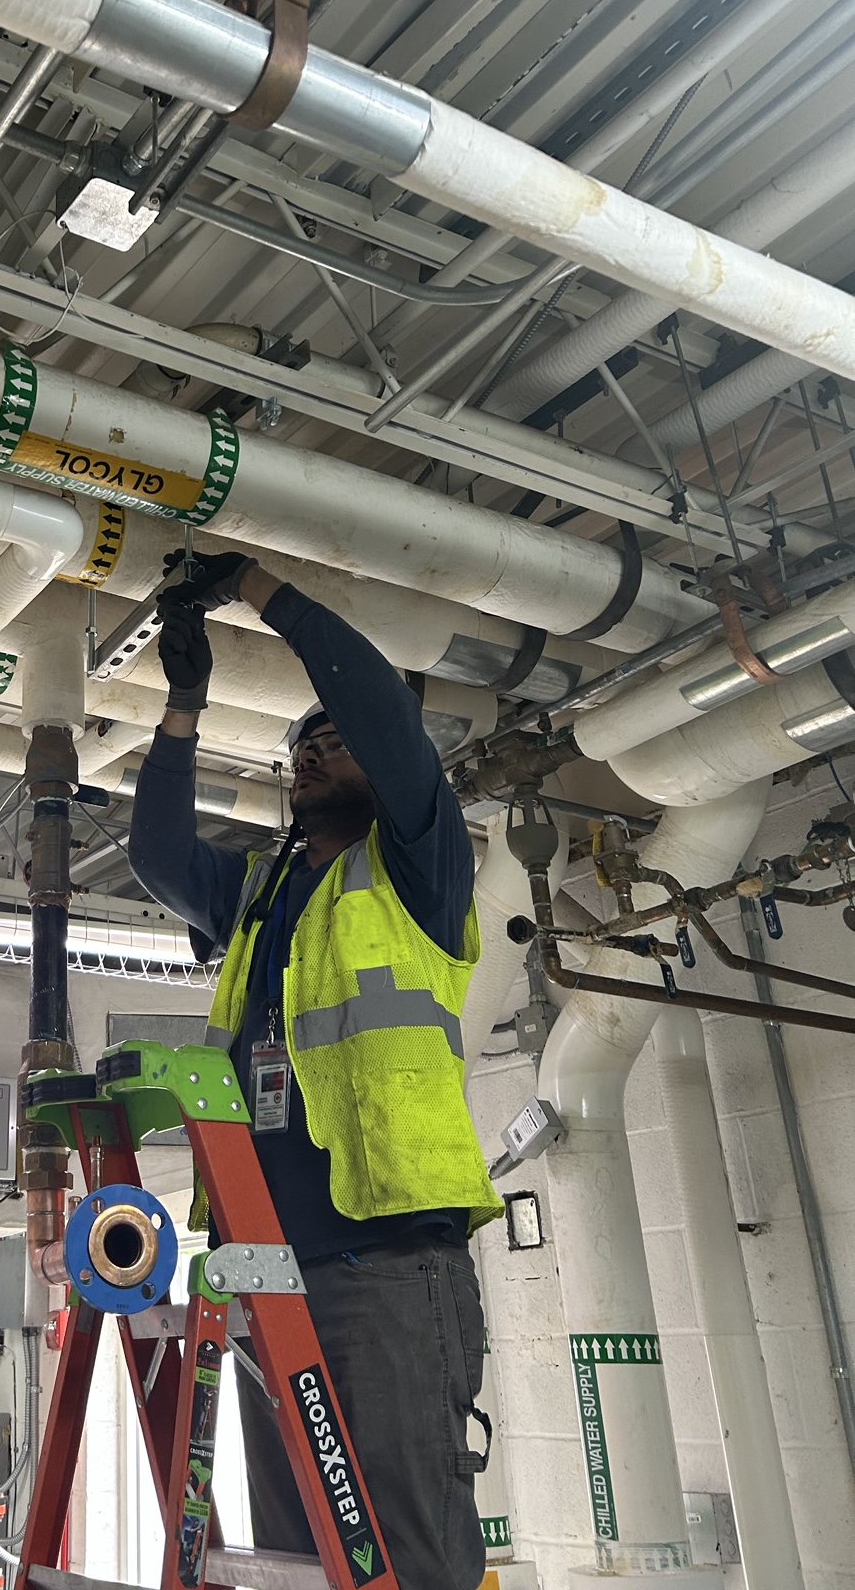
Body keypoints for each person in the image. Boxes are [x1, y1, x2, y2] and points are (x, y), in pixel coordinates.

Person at [126, 549, 500, 1590]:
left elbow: (380, 702)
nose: (309, 754)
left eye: (332, 743)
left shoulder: (417, 869)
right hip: (264, 1267)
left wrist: (256, 588)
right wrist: (184, 703)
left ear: (386, 770)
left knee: (407, 1554)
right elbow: (158, 852)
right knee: (298, 1556)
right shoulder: (256, 892)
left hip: (382, 1262)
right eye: (297, 747)